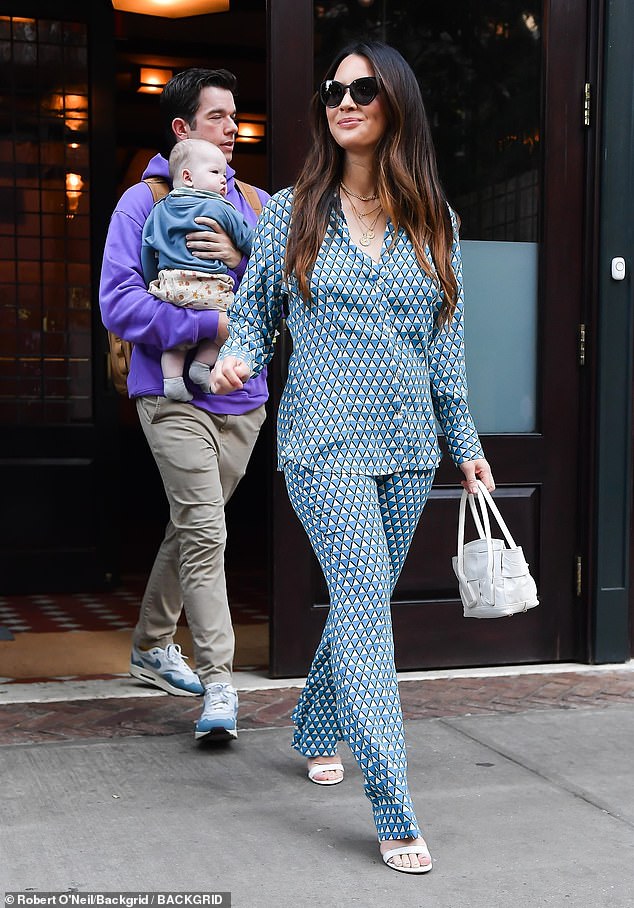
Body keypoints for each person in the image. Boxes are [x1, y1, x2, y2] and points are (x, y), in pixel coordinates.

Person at [211, 42, 494, 872]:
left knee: (361, 602)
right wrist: (237, 355)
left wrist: (467, 448)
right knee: (369, 612)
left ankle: (312, 723)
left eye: (362, 89)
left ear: (394, 104)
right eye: (333, 89)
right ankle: (395, 807)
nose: (343, 100)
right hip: (322, 445)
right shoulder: (295, 211)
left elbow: (447, 349)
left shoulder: (434, 223)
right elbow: (256, 318)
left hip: (409, 448)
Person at [99, 68, 269, 742]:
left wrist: (239, 258)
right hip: (170, 398)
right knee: (206, 532)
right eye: (219, 116)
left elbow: (285, 295)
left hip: (243, 399)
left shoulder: (253, 205)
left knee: (194, 524)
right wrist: (206, 327)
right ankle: (220, 686)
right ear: (182, 129)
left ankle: (149, 645)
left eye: (236, 116)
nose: (234, 128)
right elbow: (119, 301)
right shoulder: (141, 205)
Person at [141, 139, 254, 401]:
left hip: (171, 288)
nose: (224, 180)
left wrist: (153, 282)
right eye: (216, 173)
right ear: (188, 177)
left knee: (175, 340)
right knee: (236, 324)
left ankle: (172, 380)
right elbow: (252, 242)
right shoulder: (220, 207)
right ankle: (202, 366)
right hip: (210, 288)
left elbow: (148, 249)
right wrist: (238, 256)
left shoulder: (159, 209)